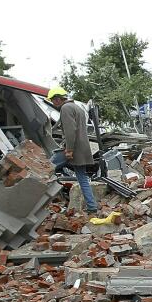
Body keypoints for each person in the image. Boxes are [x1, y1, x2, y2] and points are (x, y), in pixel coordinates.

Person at [45, 86, 98, 215]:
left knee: (46, 170)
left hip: (73, 149)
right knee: (82, 178)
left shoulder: (66, 108)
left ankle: (34, 204)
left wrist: (69, 150)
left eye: (53, 100)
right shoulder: (77, 107)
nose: (53, 103)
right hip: (82, 148)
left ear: (57, 99)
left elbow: (70, 131)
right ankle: (92, 207)